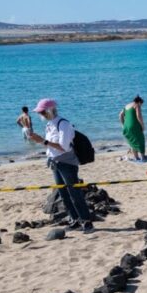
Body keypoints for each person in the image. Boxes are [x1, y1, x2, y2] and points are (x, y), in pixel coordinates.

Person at [26, 99, 93, 232]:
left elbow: (64, 147)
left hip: (67, 163)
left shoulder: (63, 124)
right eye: (39, 112)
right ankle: (75, 219)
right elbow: (50, 145)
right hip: (55, 162)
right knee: (63, 193)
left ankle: (86, 221)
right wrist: (39, 140)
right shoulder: (50, 124)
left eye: (42, 112)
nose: (40, 114)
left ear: (50, 110)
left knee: (74, 193)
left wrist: (43, 141)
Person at [119, 95, 145, 161]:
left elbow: (120, 115)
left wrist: (123, 125)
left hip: (126, 126)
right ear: (139, 102)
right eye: (141, 104)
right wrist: (142, 126)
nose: (141, 106)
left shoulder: (126, 106)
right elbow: (139, 116)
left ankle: (136, 157)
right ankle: (143, 157)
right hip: (134, 125)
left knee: (133, 141)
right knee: (141, 140)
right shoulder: (137, 105)